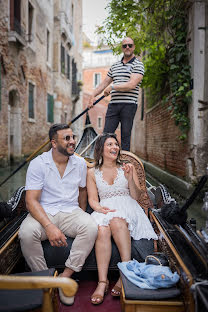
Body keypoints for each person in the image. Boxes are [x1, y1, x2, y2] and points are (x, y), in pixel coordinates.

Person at [19, 123, 98, 306]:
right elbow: (31, 201)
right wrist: (49, 226)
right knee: (26, 233)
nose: (73, 142)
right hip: (44, 212)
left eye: (73, 137)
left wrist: (83, 212)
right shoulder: (38, 164)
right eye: (67, 138)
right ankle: (46, 281)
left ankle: (64, 278)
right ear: (54, 143)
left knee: (91, 226)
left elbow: (82, 191)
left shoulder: (79, 163)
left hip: (71, 211)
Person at [87, 133, 157, 305]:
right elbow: (92, 199)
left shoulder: (128, 167)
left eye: (116, 144)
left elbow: (136, 196)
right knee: (102, 230)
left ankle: (125, 272)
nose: (115, 148)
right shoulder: (91, 172)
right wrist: (98, 209)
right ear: (101, 149)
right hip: (104, 208)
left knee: (117, 221)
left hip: (127, 206)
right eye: (110, 144)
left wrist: (129, 179)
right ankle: (102, 282)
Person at [87, 37, 144, 151]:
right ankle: (104, 164)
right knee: (106, 136)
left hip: (129, 105)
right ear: (122, 48)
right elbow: (103, 84)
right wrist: (92, 96)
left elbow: (131, 84)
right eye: (124, 46)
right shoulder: (115, 66)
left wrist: (113, 87)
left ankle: (124, 165)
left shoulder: (138, 65)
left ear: (134, 47)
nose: (127, 47)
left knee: (125, 136)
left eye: (130, 45)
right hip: (113, 105)